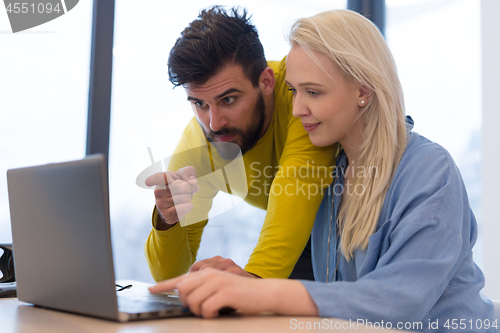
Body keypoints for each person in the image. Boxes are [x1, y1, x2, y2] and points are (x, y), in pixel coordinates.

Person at [149, 9, 496, 331]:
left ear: (363, 90)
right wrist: (237, 280)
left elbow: (401, 300)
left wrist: (259, 289)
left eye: (313, 92)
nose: (297, 110)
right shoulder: (334, 176)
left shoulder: (430, 171)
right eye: (294, 91)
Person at [144, 6, 336, 282]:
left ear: (266, 82)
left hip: (361, 227)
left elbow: (297, 185)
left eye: (229, 99)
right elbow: (168, 277)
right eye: (199, 103)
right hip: (302, 240)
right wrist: (167, 220)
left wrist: (249, 284)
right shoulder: (201, 141)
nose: (214, 123)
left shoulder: (299, 99)